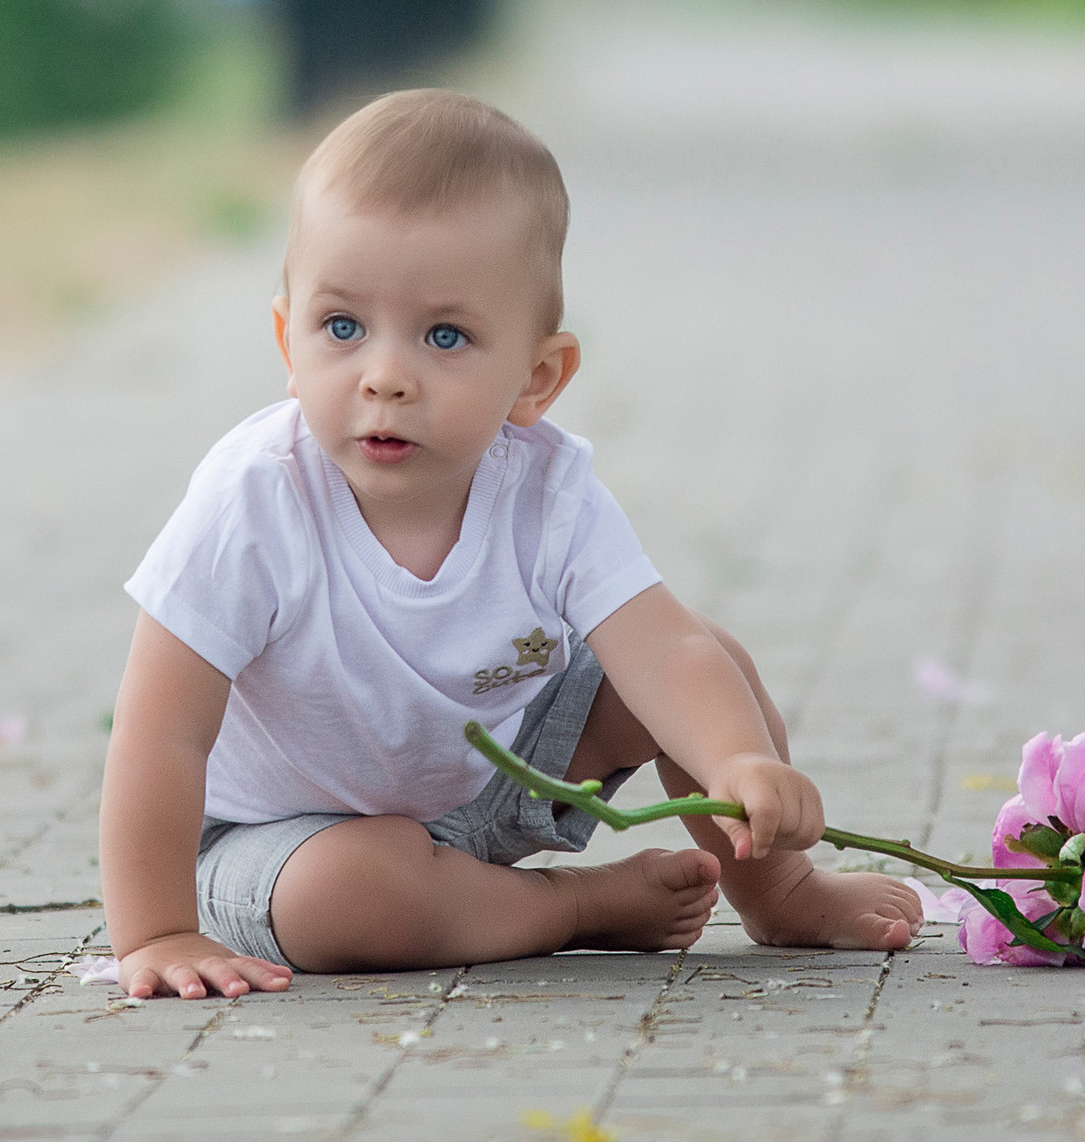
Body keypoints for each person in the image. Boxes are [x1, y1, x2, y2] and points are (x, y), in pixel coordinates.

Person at [98, 89, 923, 999]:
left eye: (444, 335)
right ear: (288, 340)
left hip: (499, 775)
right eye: (342, 327)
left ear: (537, 377)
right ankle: (574, 908)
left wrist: (737, 759)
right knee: (361, 893)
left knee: (705, 660)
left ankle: (782, 892)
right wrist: (158, 929)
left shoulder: (544, 488)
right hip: (289, 841)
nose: (385, 376)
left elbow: (665, 648)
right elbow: (160, 730)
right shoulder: (254, 499)